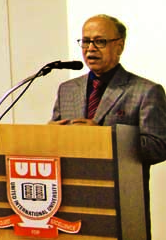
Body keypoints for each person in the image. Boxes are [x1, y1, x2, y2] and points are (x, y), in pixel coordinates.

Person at [50, 14, 166, 238]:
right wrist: (48, 134)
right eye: (85, 41)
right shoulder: (67, 89)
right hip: (69, 200)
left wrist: (104, 137)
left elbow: (159, 146)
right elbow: (55, 134)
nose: (90, 48)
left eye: (99, 41)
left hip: (121, 200)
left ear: (119, 45)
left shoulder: (146, 91)